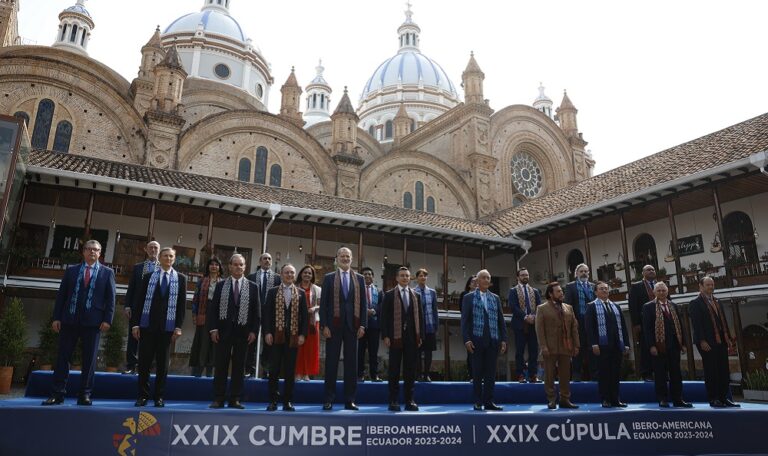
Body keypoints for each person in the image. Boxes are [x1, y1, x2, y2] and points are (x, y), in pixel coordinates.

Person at [42, 240, 116, 406]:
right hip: (69, 320)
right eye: (89, 249)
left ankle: (85, 395)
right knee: (63, 358)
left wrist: (107, 320)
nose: (92, 252)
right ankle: (57, 394)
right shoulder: (71, 270)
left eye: (95, 250)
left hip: (94, 323)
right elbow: (62, 295)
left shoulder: (107, 272)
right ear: (83, 252)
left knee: (89, 361)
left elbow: (111, 299)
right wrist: (56, 317)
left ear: (100, 253)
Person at [131, 247, 186, 407]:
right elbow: (139, 302)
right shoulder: (148, 277)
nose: (168, 258)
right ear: (160, 258)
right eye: (165, 256)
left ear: (174, 259)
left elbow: (182, 306)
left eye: (171, 256)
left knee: (163, 365)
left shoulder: (180, 279)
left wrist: (178, 327)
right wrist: (135, 324)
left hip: (167, 329)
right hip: (147, 327)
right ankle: (142, 396)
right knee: (144, 363)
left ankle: (159, 396)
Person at [207, 254, 261, 409]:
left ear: (245, 267)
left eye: (241, 264)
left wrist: (254, 331)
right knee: (221, 366)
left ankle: (235, 398)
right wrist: (213, 329)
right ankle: (218, 398)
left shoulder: (253, 286)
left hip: (243, 333)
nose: (238, 267)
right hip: (223, 332)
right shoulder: (220, 285)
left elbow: (257, 313)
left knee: (239, 367)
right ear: (229, 266)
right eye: (235, 264)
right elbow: (213, 309)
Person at [320, 247, 368, 411]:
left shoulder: (359, 279)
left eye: (348, 256)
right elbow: (324, 304)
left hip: (353, 326)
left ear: (352, 259)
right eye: (342, 256)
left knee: (351, 365)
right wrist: (324, 325)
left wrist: (363, 324)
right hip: (333, 326)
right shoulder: (328, 278)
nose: (345, 258)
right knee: (331, 363)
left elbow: (363, 304)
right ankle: (328, 399)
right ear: (337, 258)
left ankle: (350, 400)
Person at [263, 264, 308, 411]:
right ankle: (273, 401)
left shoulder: (300, 293)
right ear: (281, 274)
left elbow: (305, 317)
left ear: (295, 275)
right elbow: (267, 315)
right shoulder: (272, 292)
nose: (289, 275)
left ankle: (287, 401)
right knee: (274, 369)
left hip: (293, 338)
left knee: (290, 371)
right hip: (276, 336)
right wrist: (267, 332)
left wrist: (302, 334)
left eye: (292, 273)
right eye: (287, 272)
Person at [689, 277, 739, 407]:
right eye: (707, 285)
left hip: (721, 341)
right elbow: (696, 324)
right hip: (707, 342)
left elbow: (723, 322)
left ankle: (724, 397)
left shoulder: (718, 301)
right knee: (712, 370)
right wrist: (701, 340)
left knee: (723, 370)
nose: (710, 287)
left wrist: (727, 338)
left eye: (712, 284)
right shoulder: (695, 303)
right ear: (701, 286)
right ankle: (713, 398)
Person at [462, 269, 507, 411]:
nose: (487, 280)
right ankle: (477, 401)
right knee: (477, 372)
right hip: (476, 341)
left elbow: (501, 320)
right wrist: (467, 339)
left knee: (490, 373)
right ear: (478, 281)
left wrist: (504, 339)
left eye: (488, 278)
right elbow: (465, 321)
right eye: (484, 278)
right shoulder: (468, 298)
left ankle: (489, 401)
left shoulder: (496, 298)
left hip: (493, 341)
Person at [642, 282, 692, 408]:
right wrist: (651, 346)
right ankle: (662, 399)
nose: (661, 292)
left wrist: (684, 344)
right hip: (659, 346)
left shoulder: (674, 305)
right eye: (658, 290)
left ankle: (678, 399)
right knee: (660, 374)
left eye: (663, 290)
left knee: (676, 374)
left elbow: (680, 325)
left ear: (667, 291)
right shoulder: (648, 307)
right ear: (654, 292)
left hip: (674, 345)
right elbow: (647, 329)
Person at [382, 267, 425, 411]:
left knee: (410, 371)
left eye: (407, 276)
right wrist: (386, 335)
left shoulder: (416, 295)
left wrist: (421, 336)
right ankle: (393, 400)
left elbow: (420, 317)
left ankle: (409, 400)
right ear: (396, 278)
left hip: (412, 338)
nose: (405, 278)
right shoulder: (388, 295)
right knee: (394, 370)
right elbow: (384, 318)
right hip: (395, 337)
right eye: (402, 276)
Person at [585, 281, 630, 407]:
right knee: (604, 373)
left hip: (616, 345)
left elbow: (623, 326)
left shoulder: (616, 306)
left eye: (606, 288)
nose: (604, 291)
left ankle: (615, 399)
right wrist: (593, 344)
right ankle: (605, 399)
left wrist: (626, 343)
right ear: (596, 292)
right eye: (601, 289)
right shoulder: (591, 306)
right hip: (601, 346)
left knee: (615, 373)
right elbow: (589, 328)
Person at [536, 282, 580, 409]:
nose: (562, 294)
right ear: (550, 294)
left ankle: (565, 399)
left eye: (562, 291)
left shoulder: (568, 308)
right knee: (549, 375)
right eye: (558, 291)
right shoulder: (542, 308)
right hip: (550, 347)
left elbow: (574, 328)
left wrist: (576, 345)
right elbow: (539, 330)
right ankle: (551, 399)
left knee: (565, 375)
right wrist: (543, 346)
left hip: (566, 346)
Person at [122, 240, 159, 375]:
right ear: (146, 250)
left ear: (159, 250)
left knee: (152, 337)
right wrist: (127, 306)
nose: (153, 250)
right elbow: (131, 288)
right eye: (151, 248)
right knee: (133, 336)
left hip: (154, 309)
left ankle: (149, 366)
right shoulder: (138, 267)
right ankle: (131, 365)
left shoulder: (162, 268)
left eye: (156, 248)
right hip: (137, 307)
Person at [245, 252, 280, 378]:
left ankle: (266, 370)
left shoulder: (277, 278)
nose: (267, 260)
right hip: (254, 313)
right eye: (264, 258)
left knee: (269, 342)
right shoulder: (251, 277)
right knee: (251, 340)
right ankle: (249, 369)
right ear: (260, 262)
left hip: (270, 314)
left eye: (269, 259)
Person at [189, 257, 223, 377]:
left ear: (219, 267)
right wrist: (194, 314)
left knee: (214, 343)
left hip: (218, 315)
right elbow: (195, 299)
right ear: (208, 267)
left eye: (216, 264)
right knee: (202, 342)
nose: (214, 266)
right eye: (211, 264)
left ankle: (210, 373)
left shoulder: (223, 282)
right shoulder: (201, 281)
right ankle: (197, 372)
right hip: (203, 313)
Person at [508, 268, 541, 383]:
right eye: (522, 275)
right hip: (520, 324)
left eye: (527, 275)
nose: (525, 277)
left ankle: (533, 375)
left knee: (533, 351)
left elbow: (539, 306)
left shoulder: (535, 291)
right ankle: (520, 375)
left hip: (533, 324)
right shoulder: (513, 291)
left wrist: (533, 316)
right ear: (518, 277)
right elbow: (513, 306)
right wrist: (525, 317)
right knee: (519, 351)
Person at [564, 263, 596, 381]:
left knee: (592, 348)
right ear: (576, 273)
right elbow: (567, 305)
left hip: (592, 322)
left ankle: (594, 374)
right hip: (578, 322)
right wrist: (572, 320)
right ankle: (576, 374)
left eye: (586, 271)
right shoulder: (570, 286)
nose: (584, 273)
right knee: (578, 348)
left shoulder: (593, 286)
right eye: (581, 271)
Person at [629, 264, 656, 381]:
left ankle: (661, 371)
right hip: (644, 324)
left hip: (659, 324)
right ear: (643, 273)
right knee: (646, 348)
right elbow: (633, 306)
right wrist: (636, 324)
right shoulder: (636, 287)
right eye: (648, 270)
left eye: (653, 270)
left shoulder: (660, 286)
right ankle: (646, 373)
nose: (651, 271)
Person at [295, 265, 321, 381]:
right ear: (301, 274)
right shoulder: (294, 287)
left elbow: (321, 304)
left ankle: (306, 373)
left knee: (310, 348)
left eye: (309, 273)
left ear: (312, 276)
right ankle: (298, 372)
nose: (307, 275)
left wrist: (313, 308)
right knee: (298, 347)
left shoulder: (318, 289)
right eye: (305, 272)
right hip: (296, 321)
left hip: (312, 321)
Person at [357, 266, 382, 382]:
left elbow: (381, 307)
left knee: (373, 352)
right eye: (365, 274)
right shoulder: (357, 290)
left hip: (374, 326)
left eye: (369, 274)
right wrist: (365, 311)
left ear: (373, 276)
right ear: (361, 277)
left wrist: (374, 311)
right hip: (360, 325)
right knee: (360, 351)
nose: (367, 276)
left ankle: (374, 375)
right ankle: (359, 375)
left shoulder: (379, 291)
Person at [414, 268, 438, 382]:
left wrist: (436, 324)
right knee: (418, 352)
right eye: (420, 275)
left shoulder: (432, 292)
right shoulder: (412, 291)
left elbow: (434, 310)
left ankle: (426, 374)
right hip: (417, 326)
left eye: (425, 275)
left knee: (428, 351)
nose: (423, 277)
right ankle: (418, 374)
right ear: (417, 278)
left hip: (429, 325)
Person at [459, 275, 477, 380]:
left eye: (476, 281)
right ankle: (472, 375)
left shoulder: (481, 294)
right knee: (471, 352)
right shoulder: (465, 295)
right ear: (469, 284)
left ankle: (480, 375)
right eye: (473, 281)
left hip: (481, 328)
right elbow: (462, 310)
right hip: (470, 327)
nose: (475, 283)